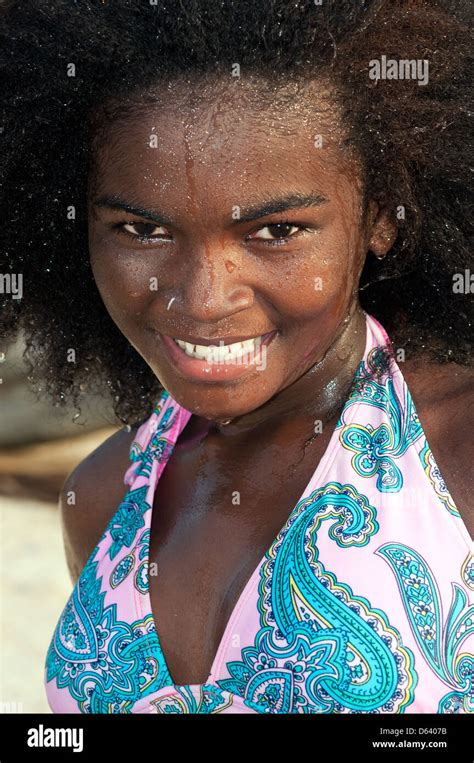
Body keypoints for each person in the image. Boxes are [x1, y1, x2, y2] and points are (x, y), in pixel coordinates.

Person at [0, 0, 472, 714]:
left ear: (380, 214)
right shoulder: (100, 497)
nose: (203, 298)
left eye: (277, 230)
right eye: (142, 227)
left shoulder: (459, 463)